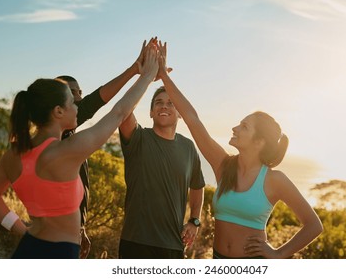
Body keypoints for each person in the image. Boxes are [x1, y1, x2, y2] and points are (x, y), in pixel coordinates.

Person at [0, 45, 159, 258]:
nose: (78, 107)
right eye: (72, 102)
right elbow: (119, 113)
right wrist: (147, 76)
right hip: (59, 254)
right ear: (58, 111)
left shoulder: (14, 153)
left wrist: (22, 230)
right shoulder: (66, 151)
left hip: (28, 248)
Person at [156, 42, 323, 259]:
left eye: (244, 127)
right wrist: (165, 78)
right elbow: (193, 120)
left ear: (259, 142)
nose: (235, 128)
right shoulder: (224, 166)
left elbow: (313, 225)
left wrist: (279, 253)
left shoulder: (274, 180)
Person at [55, 39, 151, 258]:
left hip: (70, 233)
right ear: (58, 104)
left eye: (80, 92)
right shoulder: (60, 141)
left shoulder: (68, 135)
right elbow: (106, 106)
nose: (79, 98)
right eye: (73, 93)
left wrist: (81, 227)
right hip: (59, 237)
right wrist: (141, 74)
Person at [118, 41, 206, 259]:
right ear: (150, 112)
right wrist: (145, 76)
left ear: (179, 113)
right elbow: (124, 110)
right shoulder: (138, 138)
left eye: (170, 103)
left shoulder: (188, 147)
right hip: (134, 242)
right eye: (158, 102)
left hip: (172, 246)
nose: (164, 106)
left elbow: (197, 187)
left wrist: (194, 220)